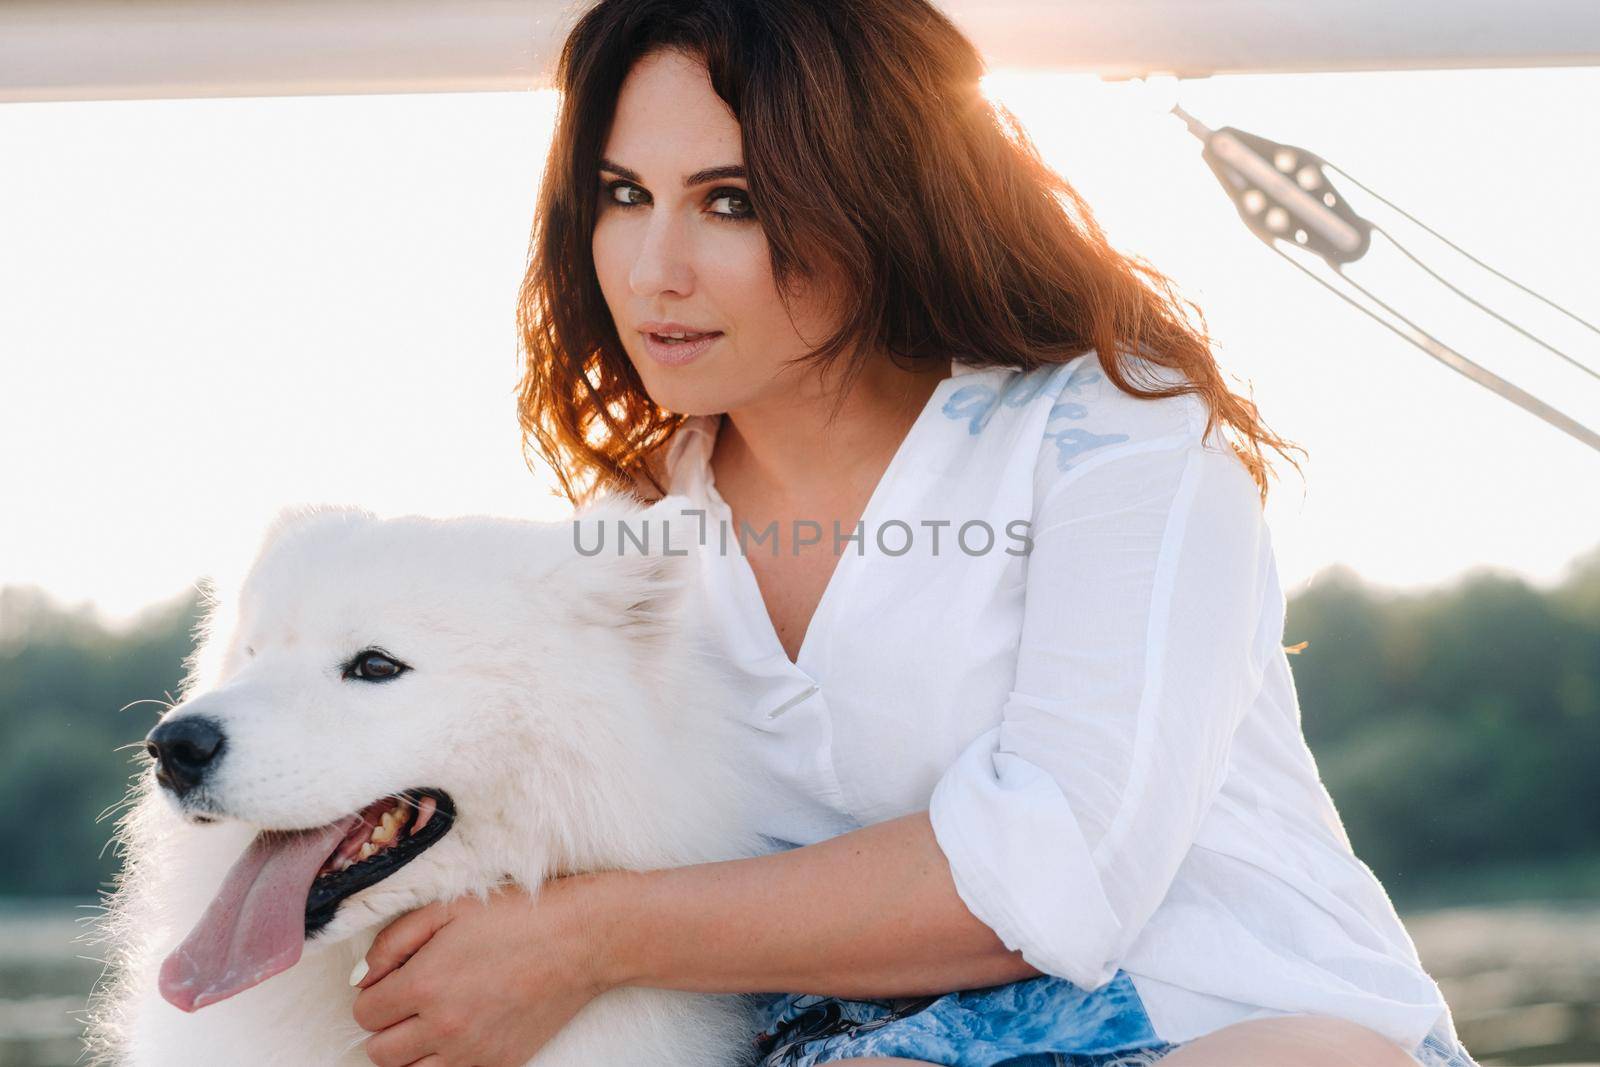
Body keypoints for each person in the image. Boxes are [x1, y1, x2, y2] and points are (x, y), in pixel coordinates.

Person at [348, 2, 1482, 1065]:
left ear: (873, 195)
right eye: (622, 194)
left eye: (730, 200)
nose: (654, 270)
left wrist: (585, 935)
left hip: (1233, 1023)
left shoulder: (1111, 437)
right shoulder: (631, 530)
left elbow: (1056, 870)